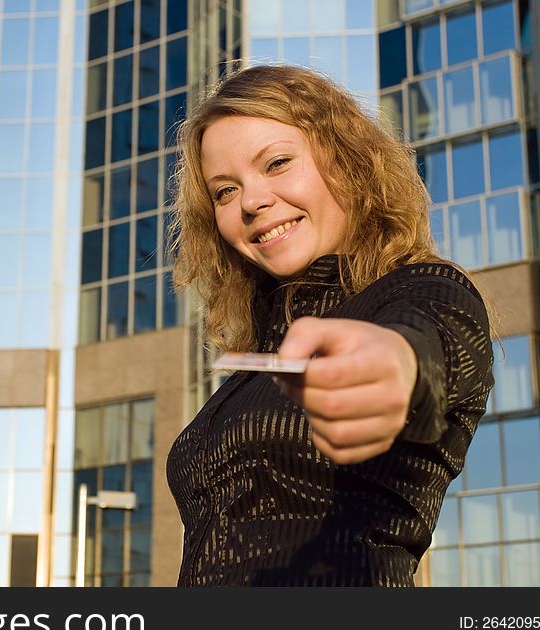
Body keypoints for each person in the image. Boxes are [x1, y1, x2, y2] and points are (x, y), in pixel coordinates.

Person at [165, 64, 495, 586]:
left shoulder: (422, 288)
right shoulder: (260, 360)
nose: (251, 201)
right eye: (225, 191)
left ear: (347, 161)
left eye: (276, 163)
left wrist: (395, 366)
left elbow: (425, 342)